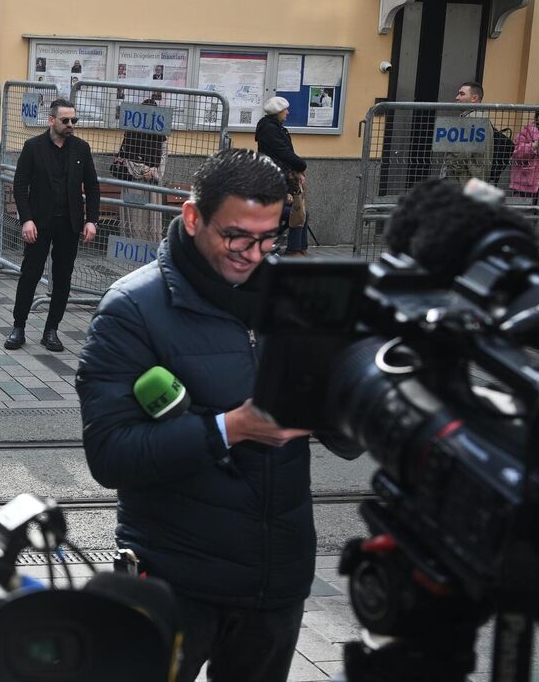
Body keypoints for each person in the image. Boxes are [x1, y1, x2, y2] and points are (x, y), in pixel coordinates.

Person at [78, 149, 359, 682]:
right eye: (237, 236)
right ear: (193, 217)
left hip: (277, 580)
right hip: (174, 580)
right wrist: (232, 428)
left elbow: (348, 441)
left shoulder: (298, 298)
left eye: (268, 236)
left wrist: (345, 399)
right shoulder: (132, 309)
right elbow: (110, 454)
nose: (253, 253)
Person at [6, 99, 100, 352]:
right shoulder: (33, 147)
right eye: (65, 120)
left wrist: (91, 219)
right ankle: (19, 327)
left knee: (62, 278)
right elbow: (20, 185)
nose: (71, 125)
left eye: (74, 121)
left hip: (69, 224)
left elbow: (92, 186)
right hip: (39, 222)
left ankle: (52, 330)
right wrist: (26, 219)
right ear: (51, 120)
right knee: (30, 274)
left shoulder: (81, 148)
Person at [255, 96, 310, 255]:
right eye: (285, 109)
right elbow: (284, 153)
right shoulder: (270, 130)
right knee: (296, 211)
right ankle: (294, 250)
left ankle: (299, 248)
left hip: (280, 180)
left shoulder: (277, 128)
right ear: (278, 112)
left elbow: (285, 155)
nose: (287, 112)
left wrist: (297, 170)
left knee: (300, 211)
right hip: (273, 190)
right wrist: (301, 166)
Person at [114, 94, 168, 242]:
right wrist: (146, 170)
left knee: (148, 216)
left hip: (150, 183)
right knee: (135, 216)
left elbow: (163, 157)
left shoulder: (161, 136)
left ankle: (148, 246)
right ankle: (133, 243)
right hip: (135, 181)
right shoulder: (132, 133)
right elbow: (127, 155)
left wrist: (153, 172)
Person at [441, 81, 495, 184]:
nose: (457, 97)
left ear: (474, 98)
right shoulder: (475, 117)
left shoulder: (475, 118)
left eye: (462, 94)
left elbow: (462, 152)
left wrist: (452, 168)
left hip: (465, 181)